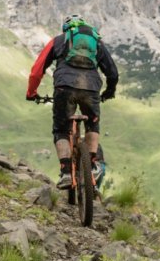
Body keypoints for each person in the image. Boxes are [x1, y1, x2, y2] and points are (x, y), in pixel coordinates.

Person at [27, 14, 118, 189]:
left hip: (64, 87)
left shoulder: (58, 41)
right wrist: (109, 92)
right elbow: (112, 73)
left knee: (61, 129)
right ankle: (91, 166)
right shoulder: (97, 42)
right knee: (92, 125)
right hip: (91, 89)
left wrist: (32, 92)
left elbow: (37, 71)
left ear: (66, 30)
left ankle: (66, 172)